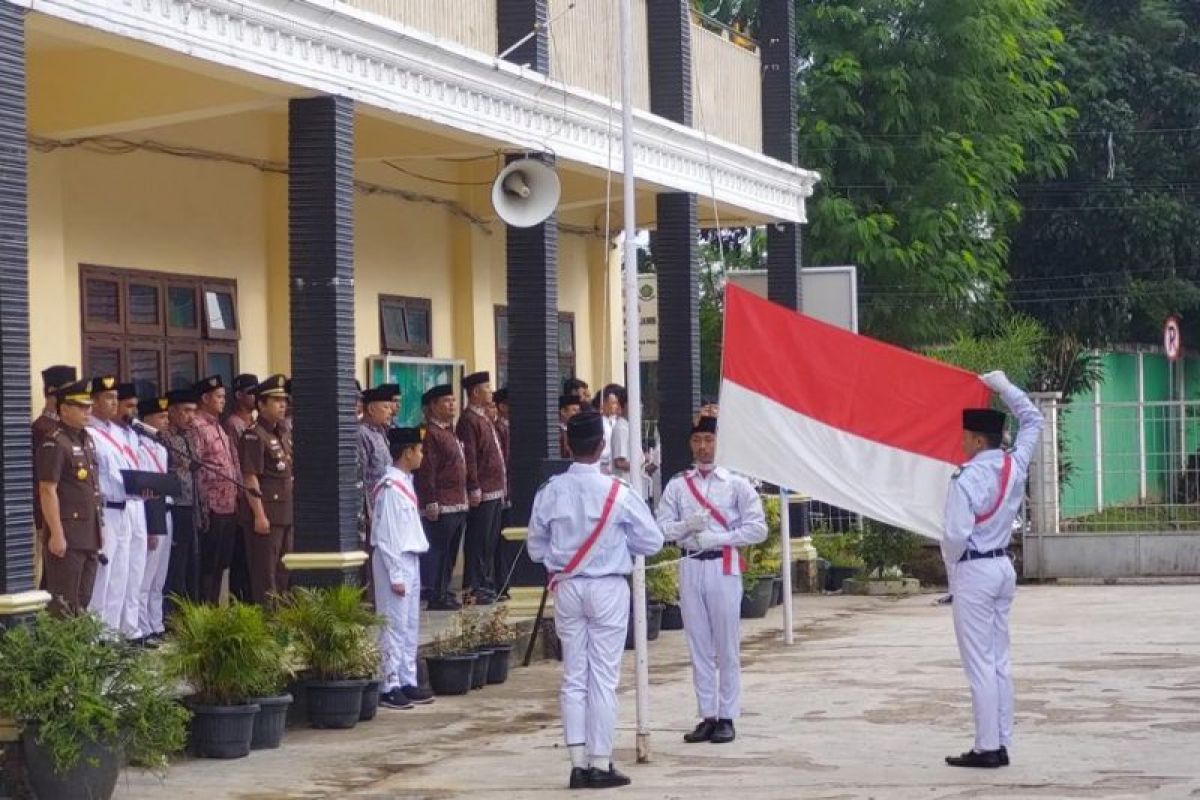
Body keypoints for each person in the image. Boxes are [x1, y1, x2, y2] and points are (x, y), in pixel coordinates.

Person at [527, 410, 664, 790]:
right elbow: (651, 541)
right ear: (602, 448)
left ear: (567, 444)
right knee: (603, 677)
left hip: (567, 586)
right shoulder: (618, 492)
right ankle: (600, 762)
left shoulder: (549, 491)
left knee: (574, 675)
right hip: (607, 587)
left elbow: (536, 549)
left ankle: (576, 762)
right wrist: (620, 544)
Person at [942, 370, 1044, 769]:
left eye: (966, 436)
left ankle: (986, 747)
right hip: (1003, 565)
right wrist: (1004, 387)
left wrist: (952, 568)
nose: (962, 442)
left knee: (979, 663)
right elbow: (1034, 419)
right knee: (999, 660)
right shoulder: (1013, 464)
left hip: (975, 571)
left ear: (978, 440)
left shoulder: (967, 479)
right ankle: (1000, 740)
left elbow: (954, 536)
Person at [657, 415, 766, 745]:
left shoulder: (736, 483)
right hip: (690, 563)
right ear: (691, 444)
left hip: (723, 564)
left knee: (726, 645)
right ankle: (707, 714)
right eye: (698, 440)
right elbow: (660, 527)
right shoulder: (678, 484)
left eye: (709, 439)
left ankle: (728, 715)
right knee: (698, 644)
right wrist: (686, 525)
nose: (703, 447)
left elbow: (757, 528)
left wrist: (719, 538)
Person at [371, 426, 436, 710]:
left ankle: (407, 679)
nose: (422, 455)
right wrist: (396, 575)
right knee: (393, 624)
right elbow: (386, 536)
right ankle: (389, 684)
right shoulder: (389, 487)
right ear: (407, 452)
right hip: (393, 561)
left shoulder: (405, 482)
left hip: (411, 557)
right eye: (419, 450)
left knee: (409, 624)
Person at [36, 379, 102, 616]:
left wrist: (99, 529)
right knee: (63, 605)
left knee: (82, 602)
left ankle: (78, 652)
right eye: (81, 407)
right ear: (64, 409)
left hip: (89, 535)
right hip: (68, 536)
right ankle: (60, 653)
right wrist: (56, 533)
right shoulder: (55, 441)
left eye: (89, 406)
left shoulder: (86, 439)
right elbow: (47, 489)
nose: (88, 411)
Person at [86, 376, 140, 634]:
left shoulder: (119, 433)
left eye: (116, 398)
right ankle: (96, 639)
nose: (114, 403)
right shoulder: (89, 433)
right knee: (102, 578)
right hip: (105, 509)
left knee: (121, 575)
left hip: (126, 507)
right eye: (108, 398)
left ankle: (113, 636)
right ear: (94, 402)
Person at [239, 374, 294, 606]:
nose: (282, 405)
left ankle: (280, 622)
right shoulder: (254, 435)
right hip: (266, 514)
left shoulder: (281, 432)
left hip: (285, 512)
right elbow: (250, 477)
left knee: (284, 573)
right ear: (261, 405)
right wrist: (259, 514)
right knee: (266, 575)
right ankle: (269, 624)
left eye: (284, 400)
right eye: (275, 401)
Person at [414, 384, 468, 610]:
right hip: (442, 504)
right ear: (433, 407)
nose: (452, 405)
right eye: (446, 401)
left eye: (453, 400)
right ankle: (435, 593)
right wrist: (430, 500)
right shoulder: (431, 434)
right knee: (438, 550)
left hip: (457, 501)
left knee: (451, 552)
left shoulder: (449, 431)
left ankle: (444, 591)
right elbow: (428, 470)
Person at [191, 376, 243, 604]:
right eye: (219, 397)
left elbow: (233, 462)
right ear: (205, 398)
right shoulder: (197, 426)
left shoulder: (220, 427)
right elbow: (196, 466)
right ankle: (205, 611)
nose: (223, 401)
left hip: (229, 505)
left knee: (223, 562)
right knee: (208, 565)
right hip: (211, 505)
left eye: (224, 396)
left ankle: (215, 607)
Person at [456, 371, 506, 604]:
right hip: (483, 491)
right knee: (479, 539)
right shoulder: (468, 420)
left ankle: (487, 583)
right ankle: (475, 586)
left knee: (490, 541)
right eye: (487, 388)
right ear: (475, 392)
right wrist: (473, 486)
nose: (491, 392)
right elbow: (471, 457)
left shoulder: (484, 417)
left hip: (495, 489)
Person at [33, 365, 77, 588]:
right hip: (48, 513)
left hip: (70, 513)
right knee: (47, 577)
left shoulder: (70, 430)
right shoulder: (42, 429)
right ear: (51, 392)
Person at [135, 396, 172, 645]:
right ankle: (142, 626)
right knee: (145, 576)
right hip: (150, 509)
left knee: (159, 575)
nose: (165, 421)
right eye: (161, 417)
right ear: (146, 419)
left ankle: (156, 623)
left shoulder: (161, 447)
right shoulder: (139, 446)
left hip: (166, 509)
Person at [115, 382, 149, 639]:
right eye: (128, 406)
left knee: (134, 570)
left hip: (136, 504)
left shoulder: (133, 433)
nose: (133, 412)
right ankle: (109, 633)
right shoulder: (99, 433)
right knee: (113, 576)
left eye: (136, 406)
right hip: (112, 507)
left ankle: (131, 628)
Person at [162, 389, 201, 612]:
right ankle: (172, 614)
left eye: (194, 411)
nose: (191, 416)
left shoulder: (190, 435)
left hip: (192, 504)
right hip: (175, 505)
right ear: (172, 411)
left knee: (191, 562)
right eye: (186, 411)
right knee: (175, 564)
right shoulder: (165, 436)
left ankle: (189, 611)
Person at [599, 384, 631, 482]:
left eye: (617, 403)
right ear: (603, 403)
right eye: (613, 403)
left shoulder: (616, 422)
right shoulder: (599, 423)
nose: (616, 407)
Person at [558, 395, 581, 459]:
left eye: (579, 411)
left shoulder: (576, 429)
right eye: (574, 410)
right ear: (563, 411)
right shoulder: (558, 432)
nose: (577, 414)